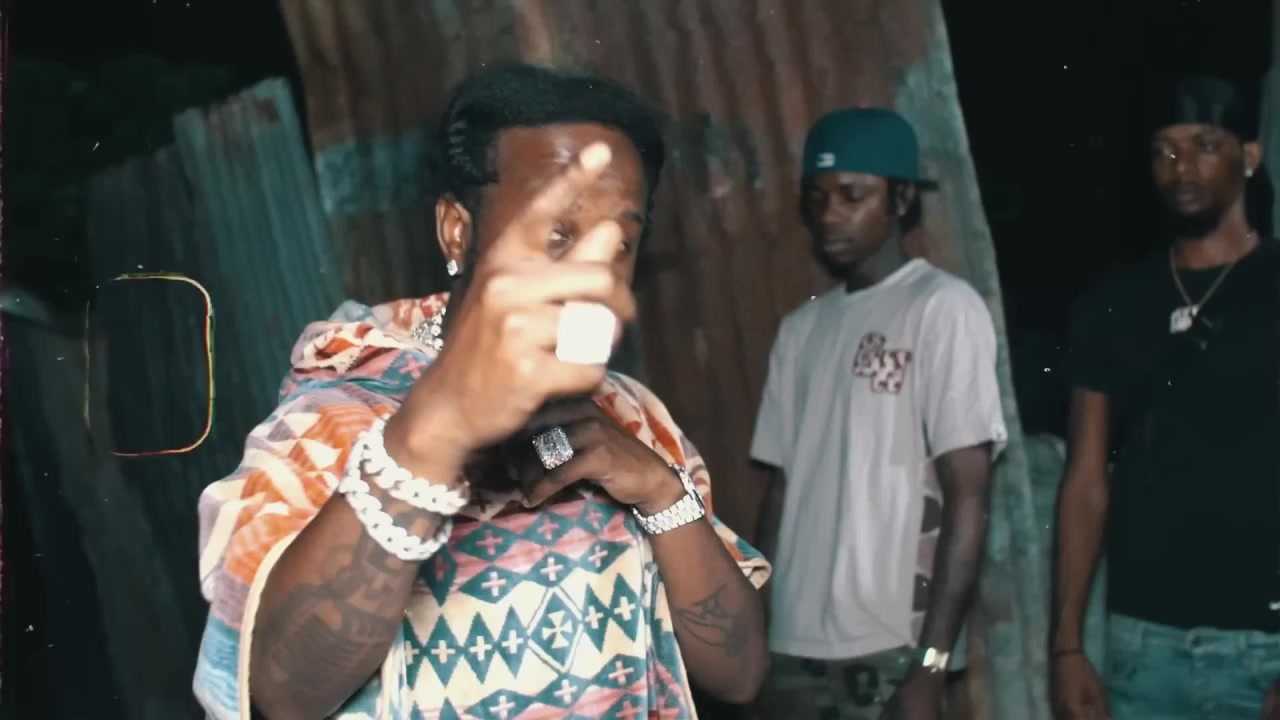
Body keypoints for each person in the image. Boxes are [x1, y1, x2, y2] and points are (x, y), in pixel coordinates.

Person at [192, 64, 770, 720]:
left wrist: (661, 492)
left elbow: (742, 674)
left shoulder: (632, 414)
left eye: (619, 242)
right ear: (457, 231)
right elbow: (279, 696)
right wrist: (427, 441)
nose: (590, 272)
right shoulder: (328, 425)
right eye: (556, 232)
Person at [751, 107, 1007, 719]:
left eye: (852, 196)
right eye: (818, 198)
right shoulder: (800, 329)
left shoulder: (942, 308)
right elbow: (781, 492)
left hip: (890, 650)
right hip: (791, 649)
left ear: (902, 199)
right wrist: (756, 629)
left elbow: (969, 498)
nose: (829, 214)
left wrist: (931, 666)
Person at [1051, 74, 1280, 720]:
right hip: (1140, 650)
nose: (1181, 167)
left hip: (1264, 650)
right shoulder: (1112, 303)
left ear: (1250, 155)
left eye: (1205, 145)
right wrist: (1066, 646)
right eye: (1164, 150)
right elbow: (1085, 481)